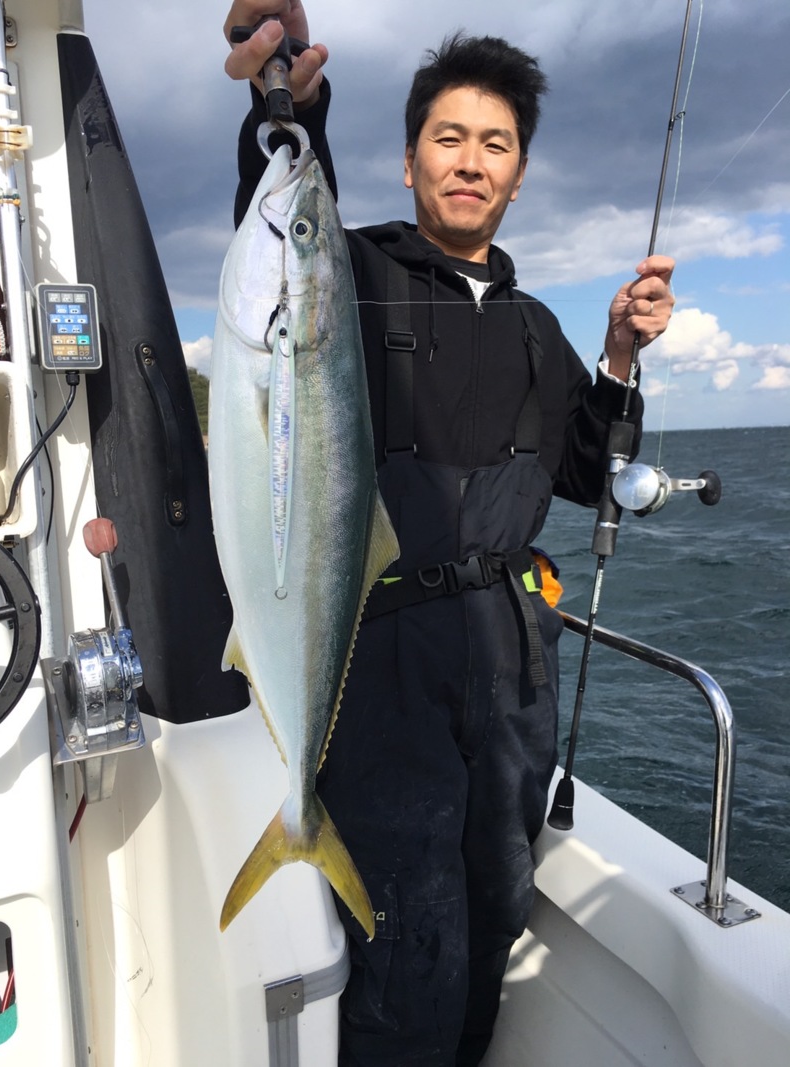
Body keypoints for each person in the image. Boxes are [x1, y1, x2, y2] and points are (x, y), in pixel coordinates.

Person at [223, 4, 676, 1065]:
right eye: (448, 137)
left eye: (495, 145)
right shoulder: (357, 268)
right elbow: (290, 242)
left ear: (517, 175)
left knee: (493, 918)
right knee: (399, 951)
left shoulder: (535, 326)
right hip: (384, 670)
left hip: (510, 669)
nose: (469, 162)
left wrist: (616, 359)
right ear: (410, 155)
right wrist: (289, 100)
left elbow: (583, 474)